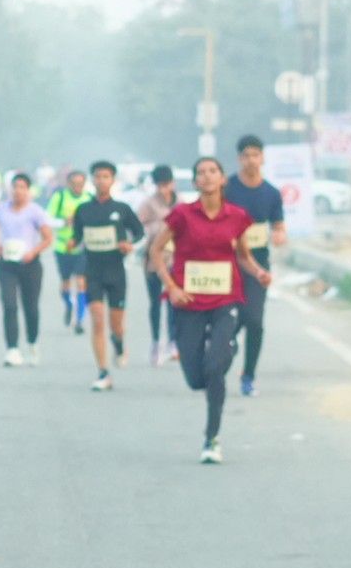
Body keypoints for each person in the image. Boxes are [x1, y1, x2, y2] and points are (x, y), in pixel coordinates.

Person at [149, 155, 272, 465]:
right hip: (188, 302)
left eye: (212, 171)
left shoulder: (236, 216)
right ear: (194, 181)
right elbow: (156, 250)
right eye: (201, 173)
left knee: (215, 368)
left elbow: (243, 256)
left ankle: (211, 437)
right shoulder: (182, 215)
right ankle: (222, 354)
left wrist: (258, 272)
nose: (206, 176)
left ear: (222, 178)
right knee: (196, 377)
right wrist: (171, 287)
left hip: (224, 300)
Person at [64, 160, 144, 391]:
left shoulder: (122, 209)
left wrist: (129, 245)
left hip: (116, 271)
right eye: (97, 177)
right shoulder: (83, 210)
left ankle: (119, 343)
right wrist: (72, 242)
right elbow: (77, 235)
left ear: (113, 180)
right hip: (93, 271)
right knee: (97, 319)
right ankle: (103, 371)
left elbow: (139, 233)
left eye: (105, 177)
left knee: (116, 325)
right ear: (92, 180)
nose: (101, 181)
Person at [223, 134, 290, 397]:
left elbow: (278, 225)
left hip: (257, 265)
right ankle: (224, 348)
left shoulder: (271, 193)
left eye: (255, 155)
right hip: (227, 263)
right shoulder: (227, 188)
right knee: (229, 319)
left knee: (255, 320)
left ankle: (249, 374)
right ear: (239, 159)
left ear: (262, 158)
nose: (251, 160)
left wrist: (280, 235)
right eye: (246, 156)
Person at [0, 172, 52, 365]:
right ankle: (12, 349)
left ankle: (32, 343)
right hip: (7, 263)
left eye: (22, 187)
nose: (18, 191)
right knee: (9, 305)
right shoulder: (2, 209)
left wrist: (33, 252)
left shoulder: (35, 211)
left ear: (28, 190)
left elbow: (48, 238)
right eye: (15, 187)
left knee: (30, 307)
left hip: (29, 264)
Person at [134, 163, 181, 364]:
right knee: (155, 302)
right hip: (154, 259)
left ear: (173, 183)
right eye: (160, 185)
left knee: (173, 302)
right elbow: (136, 226)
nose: (163, 189)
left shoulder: (181, 204)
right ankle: (155, 341)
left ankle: (173, 342)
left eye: (166, 184)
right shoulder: (149, 204)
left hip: (176, 259)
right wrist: (153, 230)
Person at [46, 168, 91, 333]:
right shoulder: (60, 197)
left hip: (82, 248)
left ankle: (79, 320)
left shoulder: (89, 199)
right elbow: (47, 219)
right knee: (65, 283)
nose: (77, 187)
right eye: (74, 183)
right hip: (63, 247)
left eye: (80, 184)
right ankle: (69, 304)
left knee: (81, 282)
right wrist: (64, 222)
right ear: (68, 183)